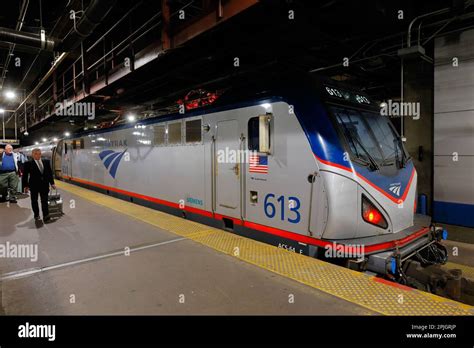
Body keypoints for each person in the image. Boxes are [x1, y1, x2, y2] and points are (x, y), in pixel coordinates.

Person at [22, 148, 56, 222]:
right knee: (34, 201)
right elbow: (25, 176)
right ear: (32, 155)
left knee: (44, 201)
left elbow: (49, 173)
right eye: (36, 154)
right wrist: (25, 186)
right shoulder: (28, 163)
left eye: (39, 154)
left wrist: (52, 183)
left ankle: (46, 216)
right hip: (34, 186)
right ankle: (36, 215)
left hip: (44, 185)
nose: (38, 155)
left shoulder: (46, 162)